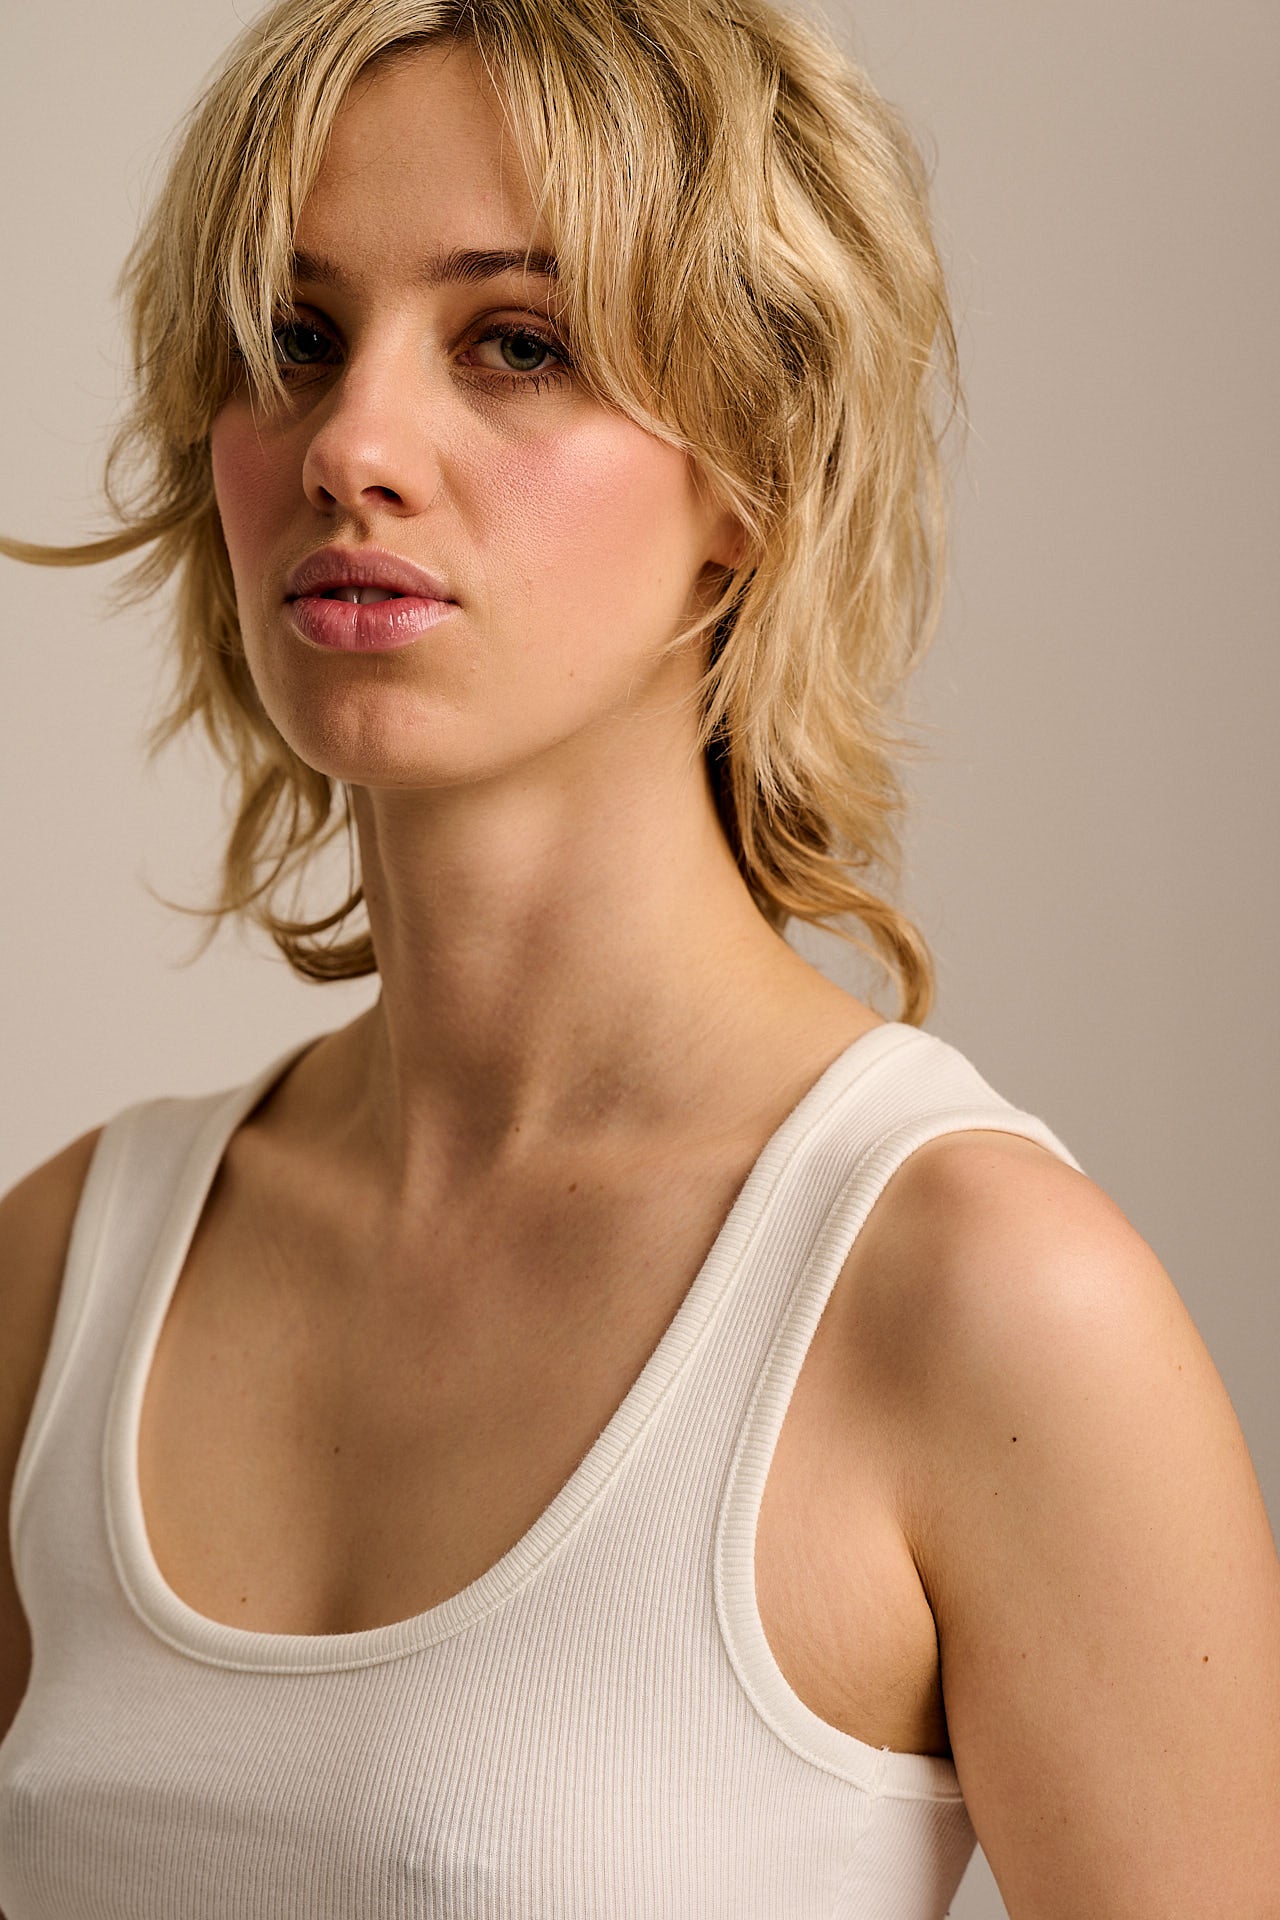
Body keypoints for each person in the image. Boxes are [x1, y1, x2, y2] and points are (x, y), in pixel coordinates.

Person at [1, 1, 1277, 1914]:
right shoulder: (64, 1278)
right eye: (295, 336)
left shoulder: (987, 1301)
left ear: (755, 474)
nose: (354, 444)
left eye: (517, 342)